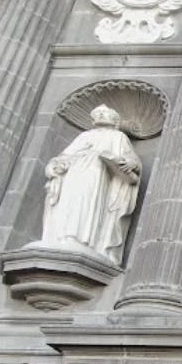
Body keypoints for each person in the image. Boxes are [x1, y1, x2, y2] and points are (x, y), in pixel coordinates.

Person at [39, 105, 142, 263]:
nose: (101, 115)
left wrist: (131, 163)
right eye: (98, 114)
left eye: (104, 113)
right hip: (74, 174)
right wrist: (56, 165)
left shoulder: (118, 137)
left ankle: (80, 239)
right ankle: (60, 237)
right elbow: (65, 156)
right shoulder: (84, 136)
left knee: (86, 203)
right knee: (69, 202)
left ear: (114, 120)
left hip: (96, 174)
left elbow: (131, 159)